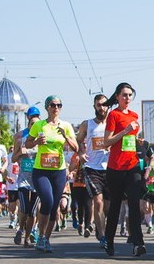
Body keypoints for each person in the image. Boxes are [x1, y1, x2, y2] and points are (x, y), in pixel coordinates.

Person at [24, 95, 78, 253]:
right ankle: (40, 235)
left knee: (54, 206)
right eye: (53, 105)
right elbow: (27, 144)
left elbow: (76, 148)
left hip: (59, 171)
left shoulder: (66, 125)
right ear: (47, 107)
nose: (56, 108)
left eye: (59, 105)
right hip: (41, 170)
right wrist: (35, 143)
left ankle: (45, 239)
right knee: (47, 200)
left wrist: (66, 136)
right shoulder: (39, 125)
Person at [102, 83, 146, 257]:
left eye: (130, 95)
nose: (127, 98)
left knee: (134, 204)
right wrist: (125, 131)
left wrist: (137, 141)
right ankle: (109, 240)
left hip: (132, 164)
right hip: (116, 167)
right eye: (124, 95)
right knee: (115, 205)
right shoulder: (113, 115)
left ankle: (138, 243)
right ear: (118, 97)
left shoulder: (134, 115)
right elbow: (107, 141)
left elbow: (130, 140)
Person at [75, 94, 111, 241]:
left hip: (110, 168)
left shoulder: (112, 124)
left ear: (108, 106)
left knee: (107, 206)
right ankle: (103, 237)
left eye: (104, 104)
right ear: (94, 107)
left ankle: (99, 225)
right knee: (98, 201)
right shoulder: (87, 124)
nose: (101, 108)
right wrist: (81, 153)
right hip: (92, 167)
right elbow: (77, 142)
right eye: (98, 105)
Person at [12, 106, 41, 248]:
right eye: (31, 124)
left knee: (33, 211)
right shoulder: (21, 139)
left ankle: (27, 237)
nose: (34, 126)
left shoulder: (42, 141)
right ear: (28, 125)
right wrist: (20, 153)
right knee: (24, 208)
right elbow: (13, 159)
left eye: (37, 124)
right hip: (24, 180)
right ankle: (20, 229)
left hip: (37, 180)